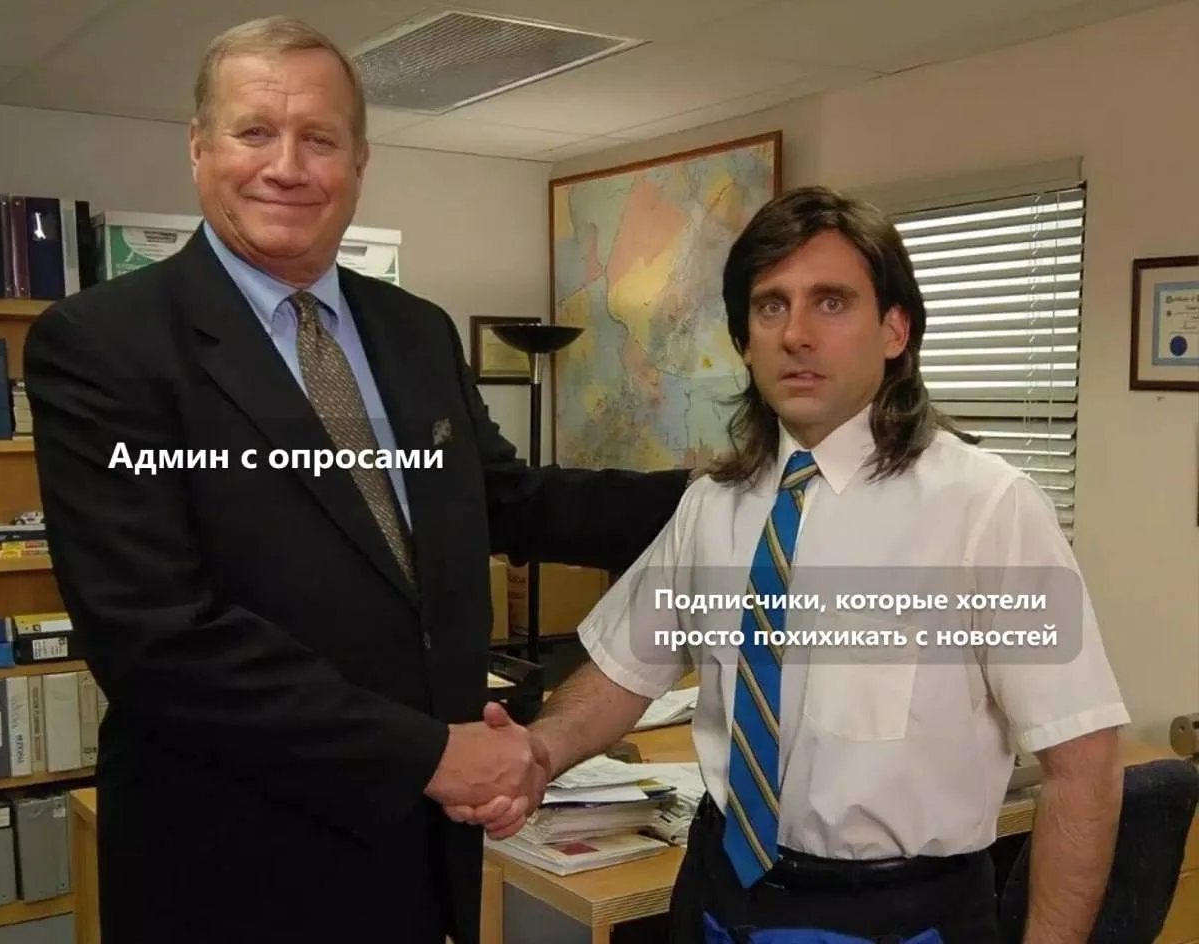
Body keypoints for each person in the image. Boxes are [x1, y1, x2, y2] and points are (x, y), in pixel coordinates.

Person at [22, 14, 690, 944]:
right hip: (232, 864)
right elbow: (155, 636)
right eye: (255, 131)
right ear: (199, 147)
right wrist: (427, 755)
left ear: (359, 162)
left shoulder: (415, 331)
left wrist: (711, 493)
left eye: (319, 139)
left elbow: (499, 498)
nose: (286, 166)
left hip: (419, 852)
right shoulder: (104, 345)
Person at [461, 186, 1129, 942]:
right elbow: (624, 670)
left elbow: (1084, 766)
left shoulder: (988, 509)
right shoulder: (714, 503)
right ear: (745, 341)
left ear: (895, 330)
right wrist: (539, 750)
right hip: (717, 893)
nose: (796, 334)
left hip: (897, 914)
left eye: (831, 303)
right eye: (771, 306)